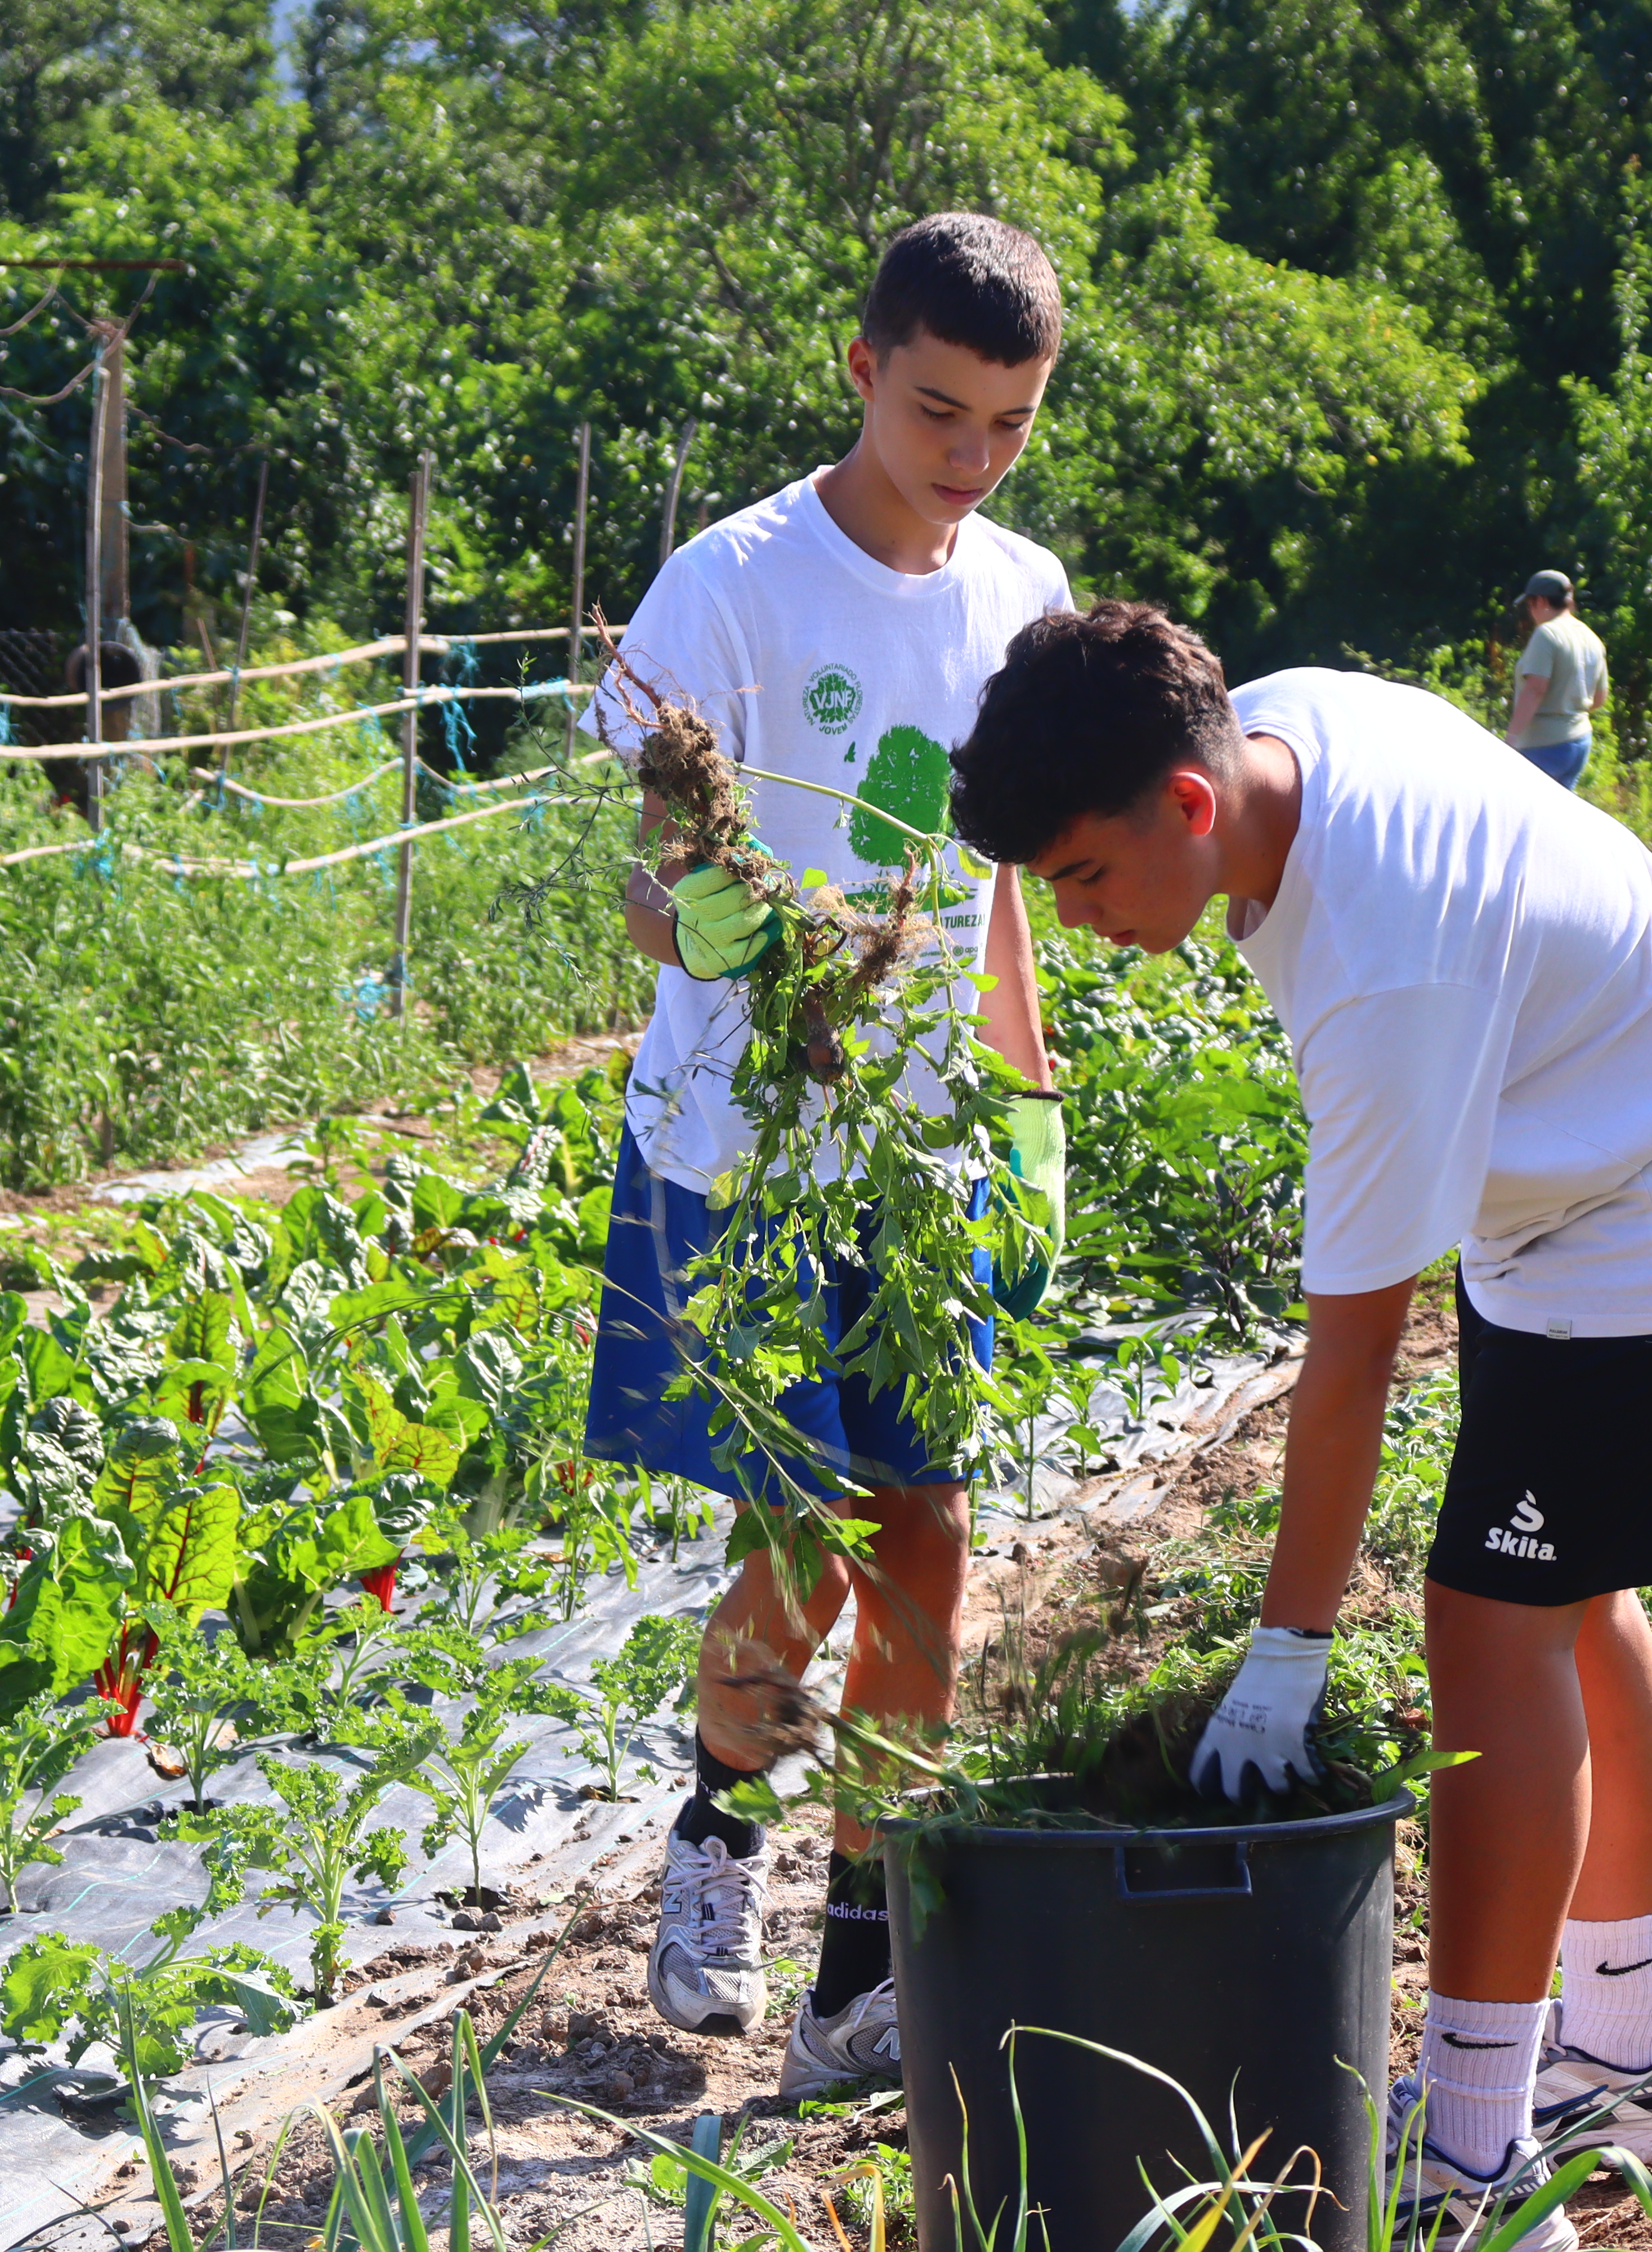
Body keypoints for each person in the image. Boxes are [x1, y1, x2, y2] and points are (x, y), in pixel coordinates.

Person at [950, 603, 1652, 2250]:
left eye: (1081, 876)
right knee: (1565, 1595)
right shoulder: (1276, 721)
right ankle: (1624, 2051)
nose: (1073, 921)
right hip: (1597, 1146)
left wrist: (1285, 1653)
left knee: (1490, 1622)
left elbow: (1352, 1357)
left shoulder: (1382, 968)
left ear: (1189, 802)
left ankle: (1478, 2156)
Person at [589, 212, 1069, 2099]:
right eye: (939, 410)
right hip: (743, 1142)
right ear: (863, 368)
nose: (972, 458)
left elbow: (1002, 884)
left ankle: (860, 1973)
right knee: (798, 1541)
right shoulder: (729, 587)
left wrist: (1030, 1102)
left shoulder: (1022, 594)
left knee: (928, 1533)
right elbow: (652, 880)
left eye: (1010, 423)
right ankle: (719, 1832)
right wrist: (722, 934)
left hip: (923, 1154)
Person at [1506, 569, 1606, 788]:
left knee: (1525, 807)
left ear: (1540, 601)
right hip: (1580, 742)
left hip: (1542, 746)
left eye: (1530, 605)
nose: (1530, 612)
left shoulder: (1547, 634)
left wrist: (1511, 739)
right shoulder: (1591, 638)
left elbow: (1536, 689)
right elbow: (1599, 698)